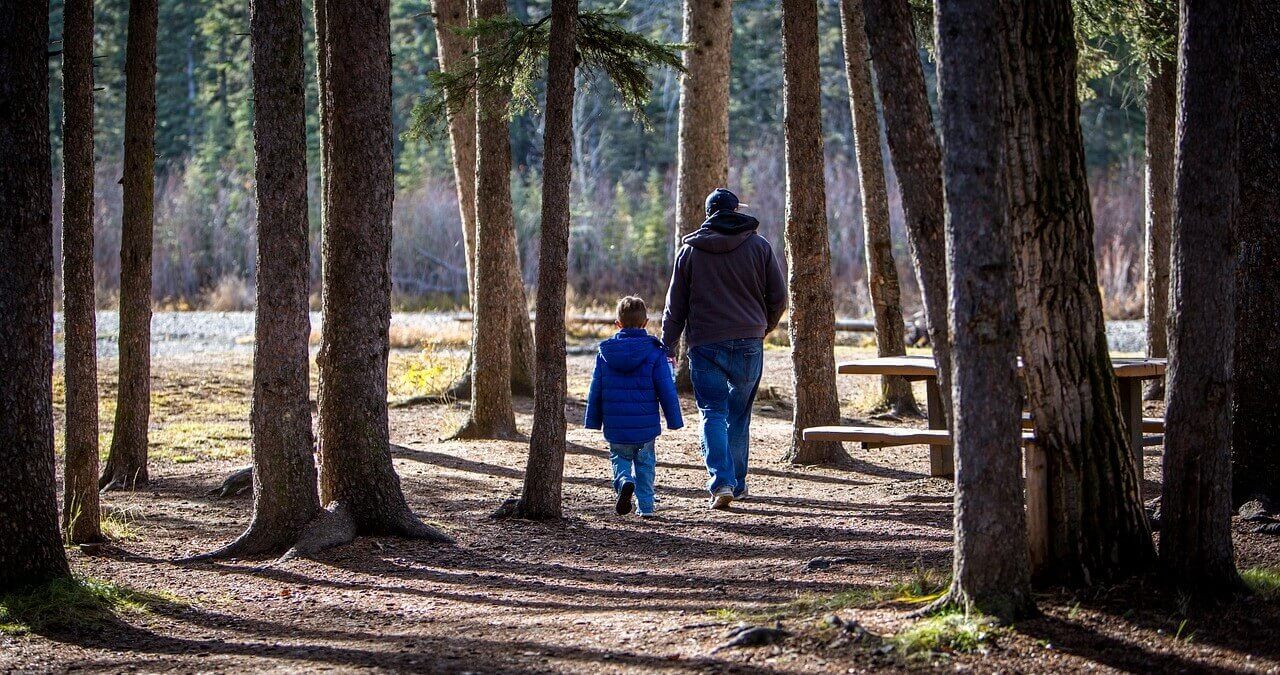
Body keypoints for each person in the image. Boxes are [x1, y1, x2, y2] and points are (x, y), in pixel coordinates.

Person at [662, 188, 786, 510]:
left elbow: (675, 308)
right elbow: (778, 297)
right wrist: (763, 326)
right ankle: (738, 484)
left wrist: (668, 344)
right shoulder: (759, 247)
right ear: (735, 211)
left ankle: (722, 483)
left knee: (712, 413)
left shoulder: (689, 253)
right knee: (739, 415)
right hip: (748, 341)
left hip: (705, 345)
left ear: (708, 215)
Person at [584, 296, 684, 517]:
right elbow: (666, 388)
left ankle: (623, 481)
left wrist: (592, 420)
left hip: (616, 424)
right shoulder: (655, 352)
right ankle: (646, 507)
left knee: (619, 457)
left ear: (617, 324)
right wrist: (674, 420)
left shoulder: (605, 354)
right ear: (645, 322)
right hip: (645, 425)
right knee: (645, 464)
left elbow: (596, 388)